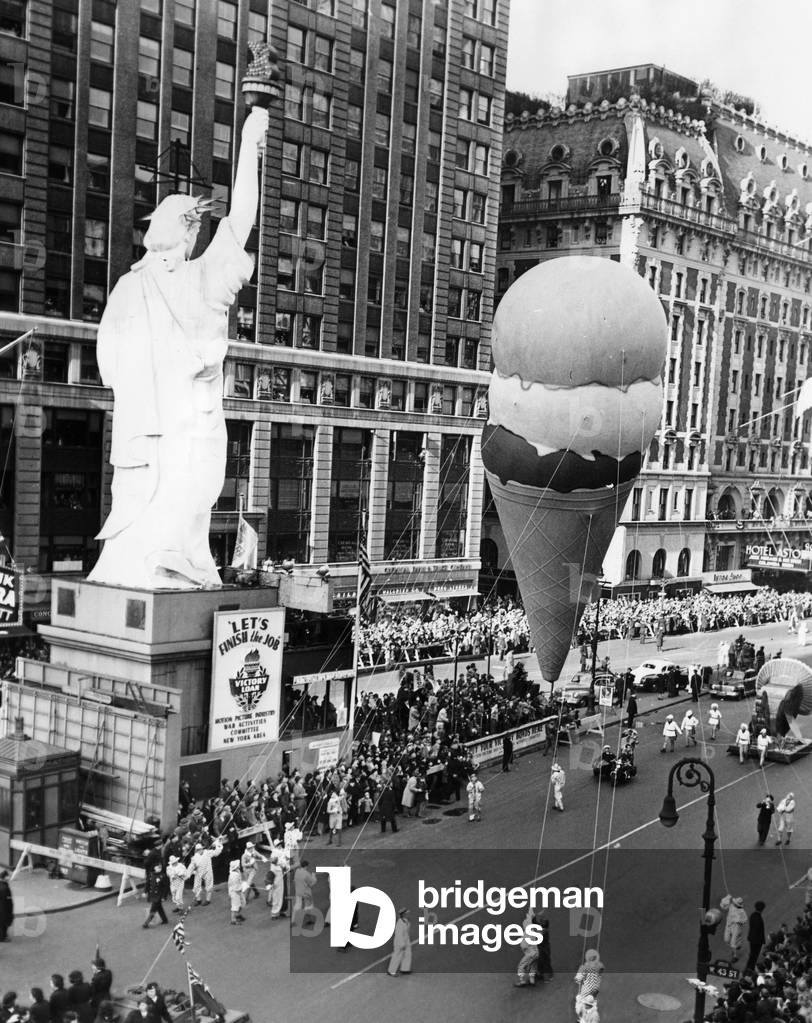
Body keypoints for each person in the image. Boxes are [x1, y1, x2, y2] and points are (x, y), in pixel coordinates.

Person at [87, 107, 269, 590]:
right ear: (186, 233)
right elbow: (241, 220)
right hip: (187, 427)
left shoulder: (128, 287)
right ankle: (172, 557)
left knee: (150, 499)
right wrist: (249, 145)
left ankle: (157, 558)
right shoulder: (199, 279)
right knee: (193, 486)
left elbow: (107, 362)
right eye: (193, 231)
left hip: (142, 432)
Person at [187, 839, 223, 907]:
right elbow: (191, 867)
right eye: (198, 850)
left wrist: (218, 845)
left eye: (200, 849)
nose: (199, 851)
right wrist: (188, 874)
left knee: (209, 886)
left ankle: (208, 900)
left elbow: (217, 852)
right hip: (199, 872)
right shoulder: (194, 858)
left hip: (208, 871)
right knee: (196, 886)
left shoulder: (207, 852)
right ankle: (198, 900)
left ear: (202, 849)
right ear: (196, 850)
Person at [574, 949, 603, 1020]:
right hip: (595, 989)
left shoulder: (584, 968)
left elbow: (578, 980)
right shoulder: (600, 966)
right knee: (590, 1001)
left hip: (586, 990)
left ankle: (583, 1017)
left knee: (580, 1004)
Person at [720, 894, 748, 961]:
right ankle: (737, 944)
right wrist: (727, 897)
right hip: (728, 925)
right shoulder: (731, 906)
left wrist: (739, 921)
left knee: (733, 943)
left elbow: (745, 920)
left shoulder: (742, 912)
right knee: (726, 939)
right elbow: (722, 906)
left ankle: (735, 956)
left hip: (736, 927)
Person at [292, 860, 318, 929]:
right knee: (308, 906)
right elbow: (312, 883)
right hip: (306, 893)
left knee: (297, 906)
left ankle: (293, 921)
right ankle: (309, 920)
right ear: (306, 866)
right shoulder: (307, 874)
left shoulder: (297, 871)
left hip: (298, 892)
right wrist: (314, 876)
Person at [387, 908, 412, 976]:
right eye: (406, 913)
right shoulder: (399, 924)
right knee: (397, 956)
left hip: (406, 940)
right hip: (399, 942)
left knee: (407, 954)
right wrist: (402, 944)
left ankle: (405, 969)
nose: (408, 914)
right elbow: (399, 935)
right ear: (403, 914)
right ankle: (391, 971)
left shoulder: (406, 921)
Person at [142, 863, 169, 928]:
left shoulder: (163, 876)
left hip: (159, 895)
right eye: (158, 867)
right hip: (152, 894)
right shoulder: (151, 874)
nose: (159, 868)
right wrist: (145, 891)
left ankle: (146, 923)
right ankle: (165, 920)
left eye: (160, 867)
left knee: (153, 909)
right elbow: (147, 884)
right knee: (159, 908)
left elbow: (166, 887)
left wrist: (164, 896)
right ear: (154, 868)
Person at [265, 842, 287, 919]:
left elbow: (283, 864)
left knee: (281, 895)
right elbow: (275, 862)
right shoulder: (275, 855)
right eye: (278, 845)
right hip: (277, 879)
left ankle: (279, 911)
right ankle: (274, 913)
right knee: (276, 895)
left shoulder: (279, 853)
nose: (280, 846)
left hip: (281, 877)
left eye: (280, 844)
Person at [746, 900, 766, 971]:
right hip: (757, 941)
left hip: (752, 938)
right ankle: (750, 969)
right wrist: (762, 941)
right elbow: (758, 931)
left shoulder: (752, 915)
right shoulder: (758, 918)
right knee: (754, 956)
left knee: (752, 955)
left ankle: (749, 968)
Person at [227, 859, 246, 926]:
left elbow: (239, 882)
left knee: (242, 903)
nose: (239, 866)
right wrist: (243, 887)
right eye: (238, 865)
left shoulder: (237, 872)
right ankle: (233, 920)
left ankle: (238, 915)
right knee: (235, 906)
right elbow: (236, 887)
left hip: (238, 891)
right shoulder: (233, 875)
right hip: (235, 893)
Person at [0, 870, 12, 942]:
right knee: (4, 924)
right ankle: (3, 938)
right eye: (8, 876)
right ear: (5, 877)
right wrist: (9, 911)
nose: (9, 878)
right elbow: (7, 901)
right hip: (4, 909)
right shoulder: (5, 888)